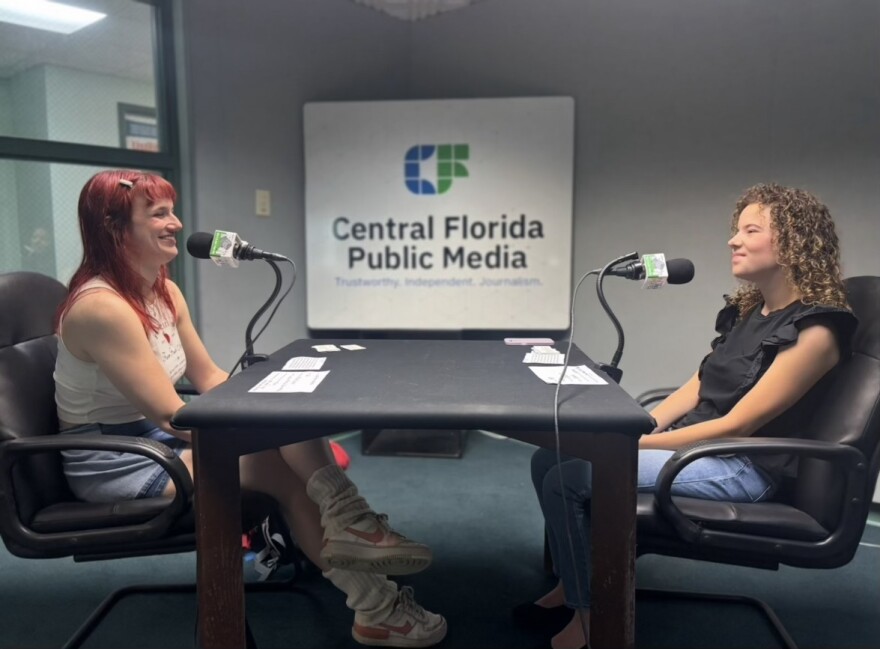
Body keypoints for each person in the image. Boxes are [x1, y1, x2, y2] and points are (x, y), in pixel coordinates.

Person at [54, 170, 446, 648]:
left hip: (156, 436)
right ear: (115, 229)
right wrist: (262, 422)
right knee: (274, 450)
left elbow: (211, 378)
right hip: (120, 457)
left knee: (284, 419)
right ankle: (366, 567)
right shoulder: (102, 308)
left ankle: (365, 569)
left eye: (172, 211)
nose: (175, 223)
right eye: (158, 214)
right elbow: (171, 417)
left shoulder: (163, 291)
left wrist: (274, 393)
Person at [517, 183, 858, 649]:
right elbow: (699, 383)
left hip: (741, 465)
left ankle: (595, 619)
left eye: (750, 230)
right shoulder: (751, 311)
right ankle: (576, 586)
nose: (732, 241)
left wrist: (625, 447)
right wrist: (645, 424)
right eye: (736, 230)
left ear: (794, 242)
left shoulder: (817, 330)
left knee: (569, 477)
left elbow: (737, 426)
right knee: (546, 461)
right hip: (701, 450)